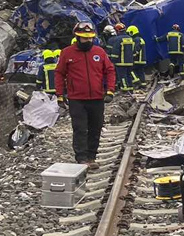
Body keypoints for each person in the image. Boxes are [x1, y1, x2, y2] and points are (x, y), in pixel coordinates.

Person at [55, 22, 115, 168]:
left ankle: (91, 157)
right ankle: (81, 158)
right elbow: (59, 73)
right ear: (77, 37)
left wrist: (110, 91)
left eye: (90, 38)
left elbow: (110, 70)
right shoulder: (67, 53)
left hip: (96, 98)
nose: (88, 41)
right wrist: (60, 95)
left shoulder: (99, 52)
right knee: (80, 128)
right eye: (84, 38)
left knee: (96, 127)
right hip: (77, 99)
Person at [107, 22, 137, 92]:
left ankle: (125, 89)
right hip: (130, 61)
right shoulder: (130, 38)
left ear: (117, 31)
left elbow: (116, 51)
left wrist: (112, 60)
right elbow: (134, 50)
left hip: (120, 62)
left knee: (122, 77)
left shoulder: (118, 39)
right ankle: (130, 89)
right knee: (129, 75)